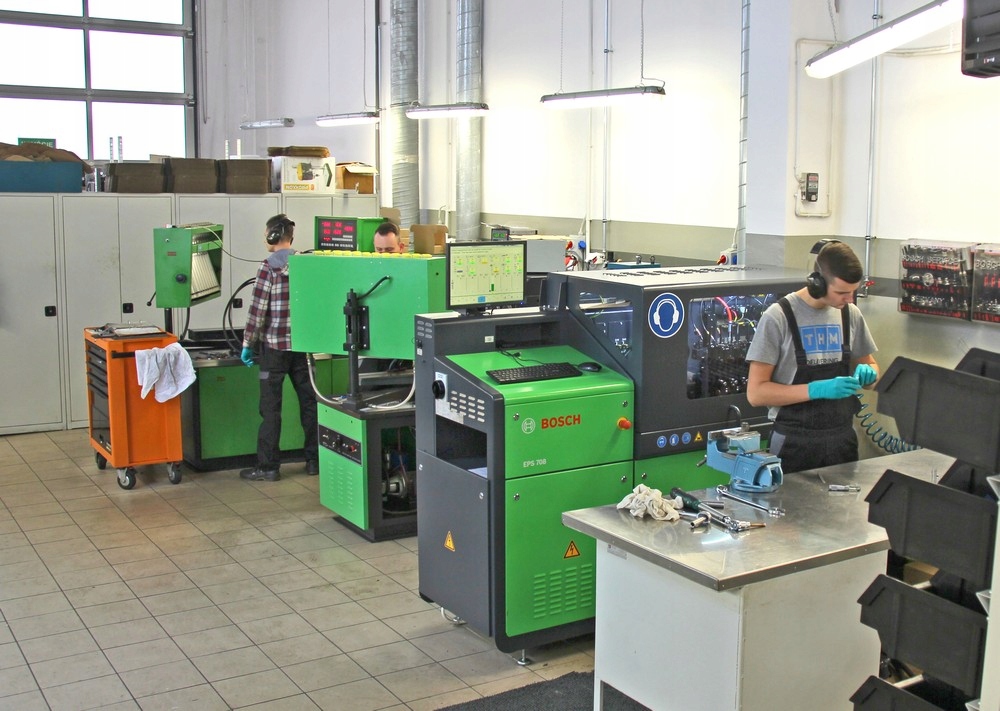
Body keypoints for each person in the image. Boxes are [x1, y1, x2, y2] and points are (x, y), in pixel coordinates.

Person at [745, 240, 879, 474]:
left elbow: (871, 367)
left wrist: (870, 374)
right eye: (841, 292)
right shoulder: (778, 317)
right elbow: (756, 393)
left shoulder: (851, 315)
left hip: (842, 440)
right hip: (794, 443)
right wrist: (816, 389)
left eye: (853, 291)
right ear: (817, 283)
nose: (849, 299)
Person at [239, 214, 318, 481]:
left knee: (270, 409)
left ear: (272, 236)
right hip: (302, 347)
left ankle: (268, 467)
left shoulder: (268, 268)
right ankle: (314, 461)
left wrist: (248, 344)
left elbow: (257, 311)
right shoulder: (306, 264)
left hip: (273, 349)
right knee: (310, 404)